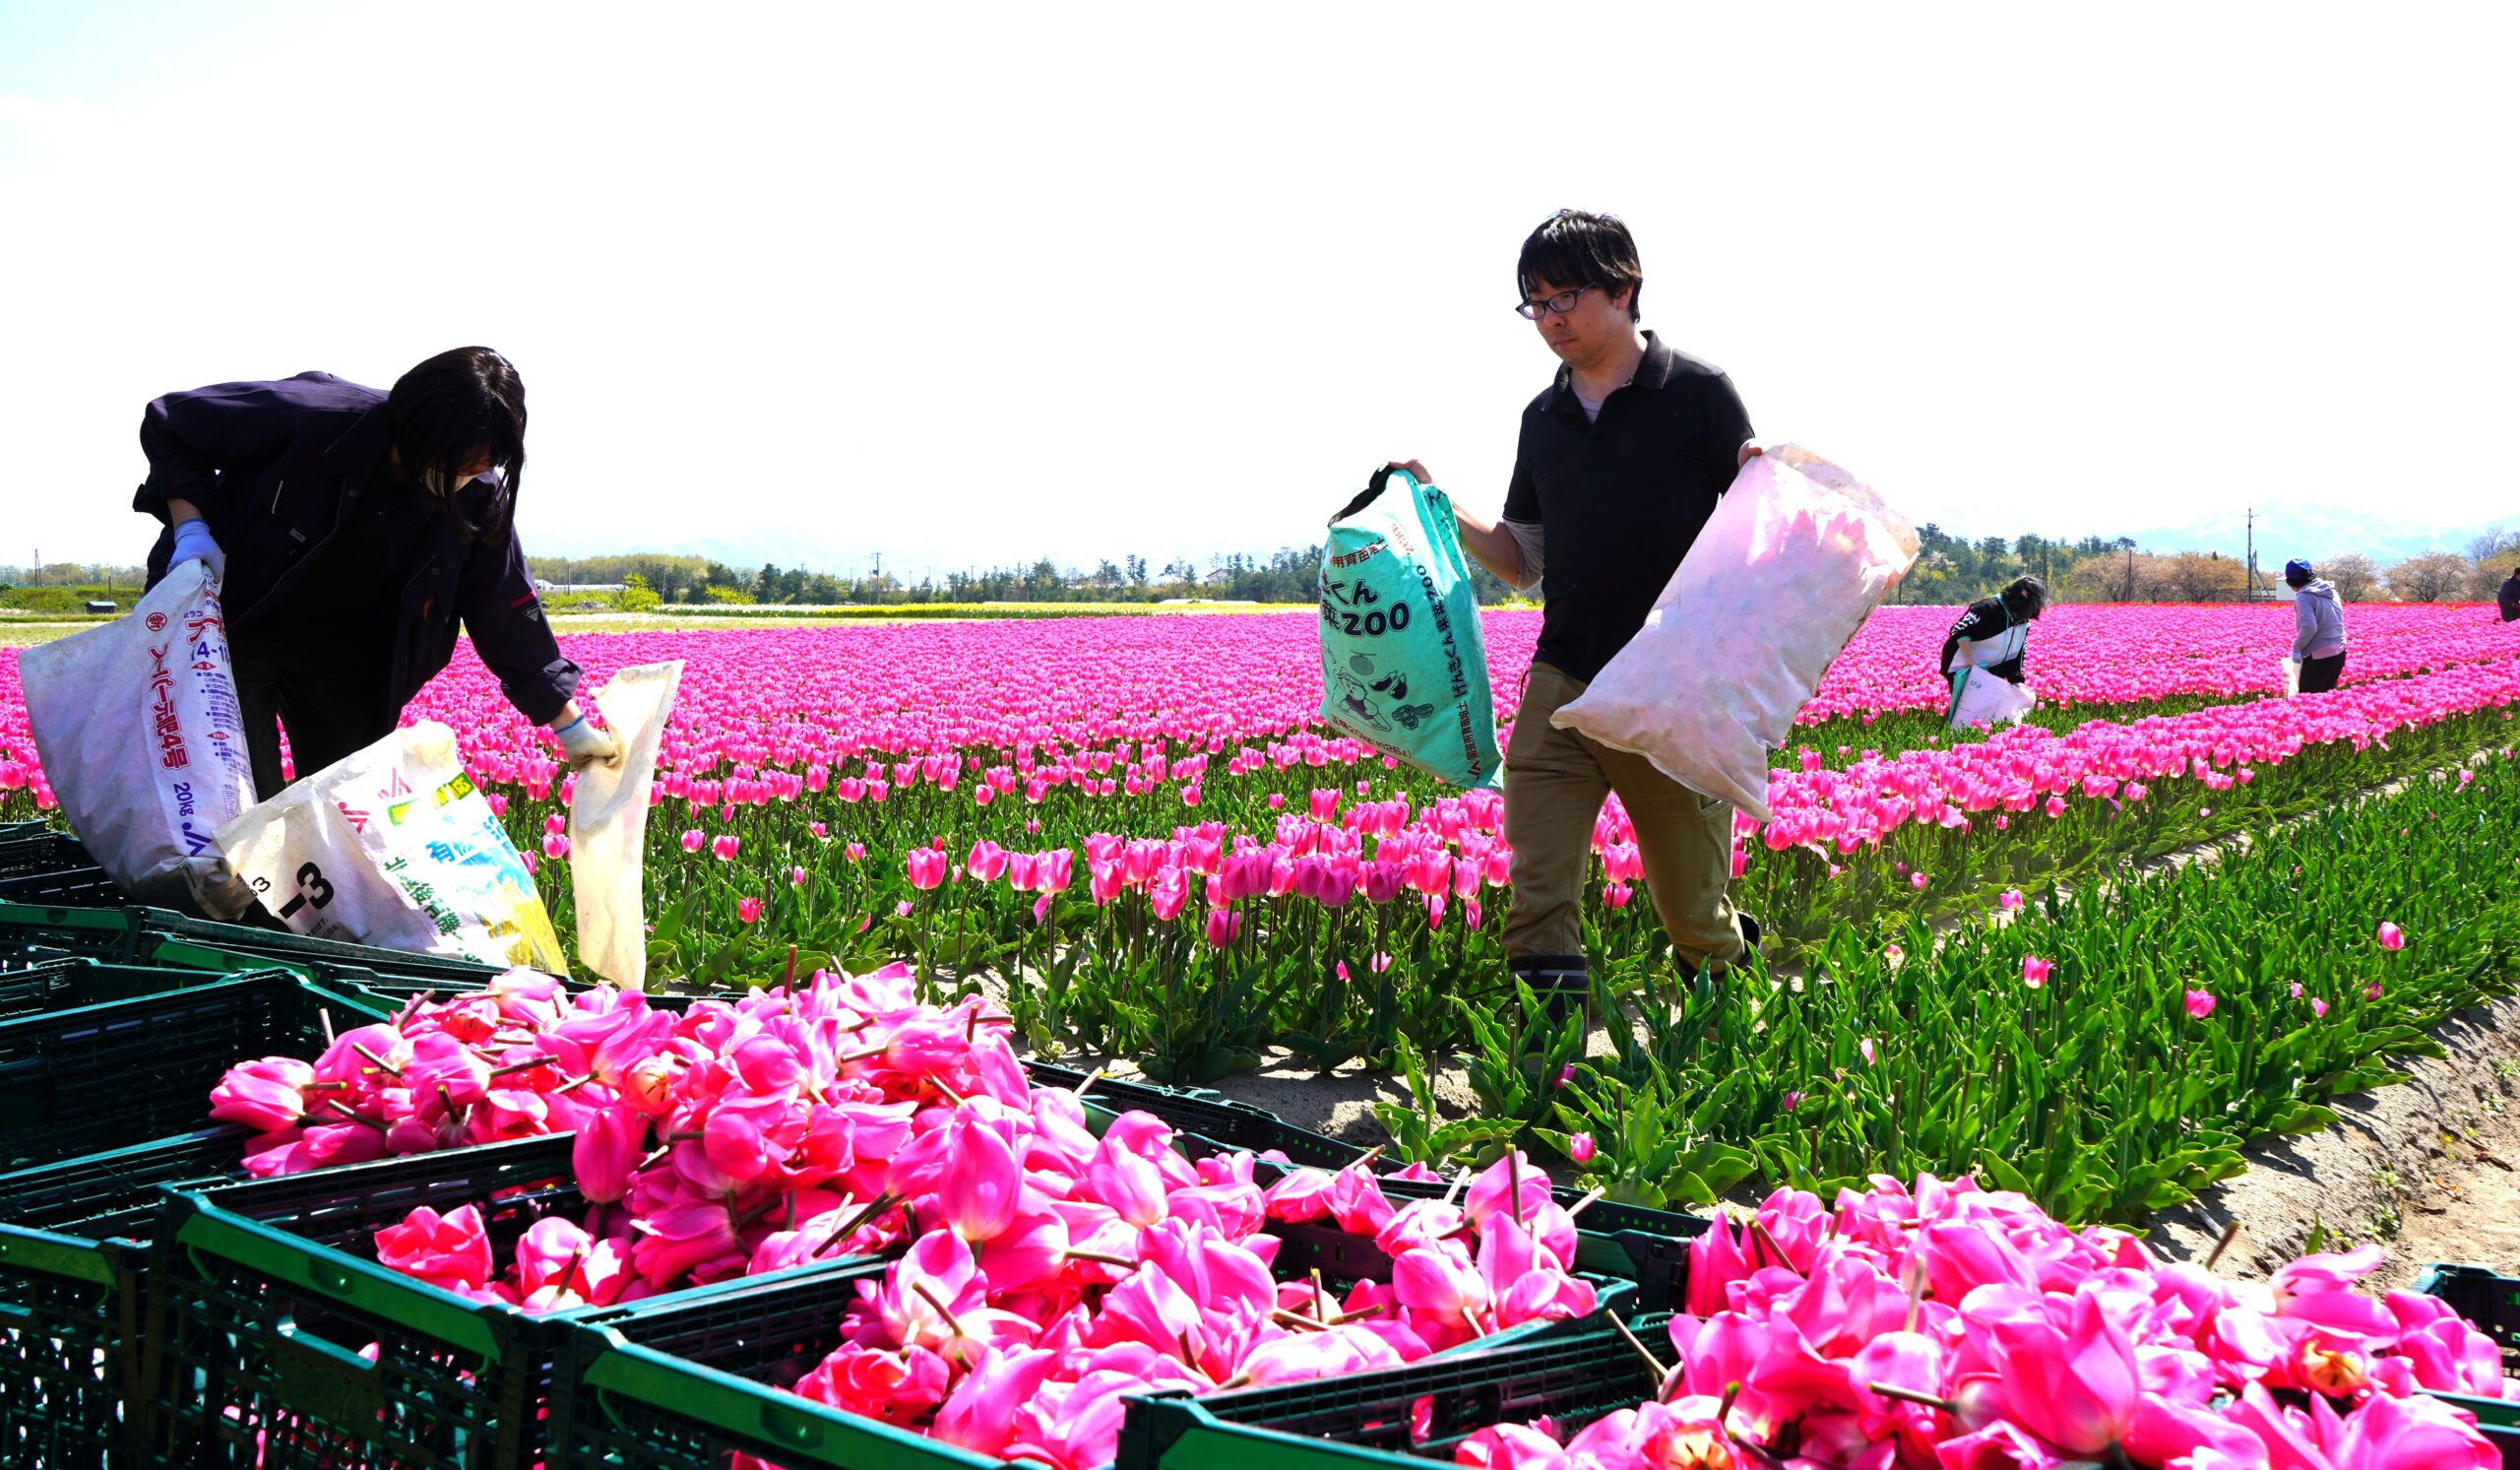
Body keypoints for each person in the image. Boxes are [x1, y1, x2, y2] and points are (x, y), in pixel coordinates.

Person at [1390, 209, 1760, 1017]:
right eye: (1536, 303)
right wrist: (1439, 504)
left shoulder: (1698, 393)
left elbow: (1757, 531)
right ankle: (1547, 1068)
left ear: (1625, 288)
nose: (1551, 318)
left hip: (1669, 690)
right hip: (1561, 685)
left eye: (1567, 296)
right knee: (1537, 892)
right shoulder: (1543, 418)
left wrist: (1770, 484)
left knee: (1693, 913)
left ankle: (1743, 1037)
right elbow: (1526, 558)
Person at [134, 348, 620, 799]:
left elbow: (503, 608)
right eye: (454, 463)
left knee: (347, 806)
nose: (462, 479)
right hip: (236, 625)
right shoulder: (312, 419)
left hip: (349, 661)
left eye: (481, 467)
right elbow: (172, 422)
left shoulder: (477, 497)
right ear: (412, 428)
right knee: (243, 800)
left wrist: (569, 726)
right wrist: (190, 526)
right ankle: (233, 891)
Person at [1937, 574, 2048, 714]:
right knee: (1966, 707)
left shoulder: (2023, 620)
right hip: (1962, 665)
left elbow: (2019, 648)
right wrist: (1969, 661)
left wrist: (2016, 679)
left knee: (1985, 709)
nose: (2031, 614)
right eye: (2030, 608)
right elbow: (1960, 630)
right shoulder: (1987, 608)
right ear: (2019, 601)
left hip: (1991, 667)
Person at [2285, 557, 2348, 693]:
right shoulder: (2331, 591)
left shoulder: (2304, 596)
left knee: (2308, 700)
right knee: (2325, 699)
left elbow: (2309, 627)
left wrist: (2297, 648)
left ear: (2291, 581)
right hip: (2339, 651)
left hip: (2319, 655)